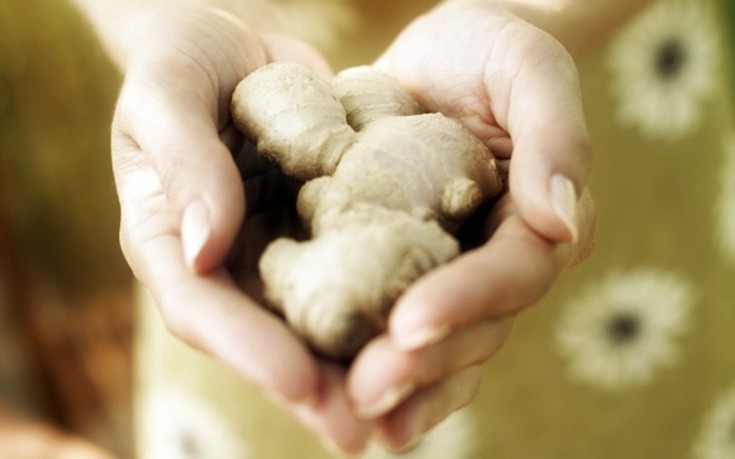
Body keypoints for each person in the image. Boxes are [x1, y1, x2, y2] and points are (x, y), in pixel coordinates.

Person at [70, 0, 734, 458]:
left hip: (594, 108)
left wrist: (531, 13)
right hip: (217, 158)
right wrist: (171, 19)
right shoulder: (289, 194)